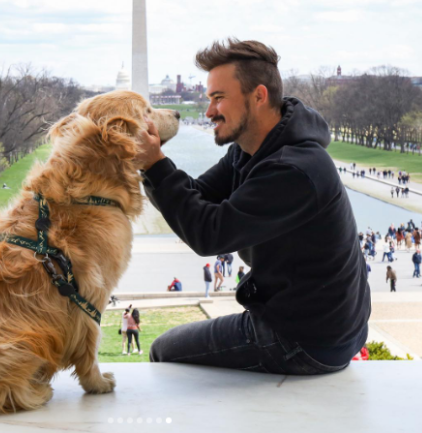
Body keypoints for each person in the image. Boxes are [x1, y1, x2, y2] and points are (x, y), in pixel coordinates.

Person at [137, 39, 370, 375]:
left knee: (163, 350)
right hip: (312, 322)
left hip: (307, 339)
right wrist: (149, 165)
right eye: (209, 99)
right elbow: (199, 194)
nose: (208, 112)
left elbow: (209, 233)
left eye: (219, 98)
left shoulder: (294, 169)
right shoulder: (251, 150)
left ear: (259, 96)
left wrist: (156, 165)